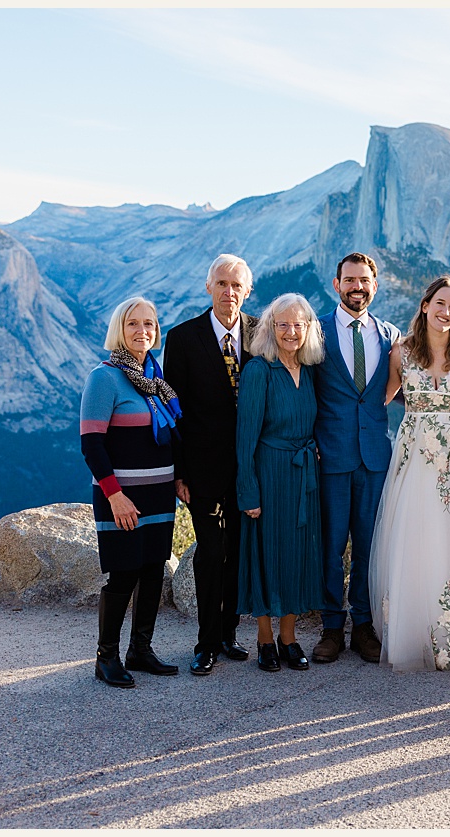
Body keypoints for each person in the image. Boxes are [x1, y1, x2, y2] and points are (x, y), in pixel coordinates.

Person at [369, 277, 450, 672]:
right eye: (440, 303)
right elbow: (378, 400)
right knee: (414, 535)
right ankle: (411, 633)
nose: (446, 312)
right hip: (414, 454)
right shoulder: (400, 352)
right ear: (425, 305)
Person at [161, 254, 258, 674]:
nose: (228, 293)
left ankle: (229, 632)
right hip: (201, 468)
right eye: (221, 284)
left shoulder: (261, 333)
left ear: (247, 292)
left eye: (236, 286)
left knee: (237, 552)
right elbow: (173, 411)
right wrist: (178, 471)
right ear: (208, 288)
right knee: (210, 551)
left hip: (250, 466)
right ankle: (205, 642)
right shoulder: (183, 339)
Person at [81, 296, 184, 688]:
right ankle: (105, 657)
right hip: (122, 497)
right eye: (133, 324)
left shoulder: (156, 381)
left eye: (149, 324)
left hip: (159, 495)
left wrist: (179, 480)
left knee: (153, 571)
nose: (142, 331)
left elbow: (170, 439)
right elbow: (91, 445)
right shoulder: (104, 378)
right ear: (118, 331)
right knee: (123, 575)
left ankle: (140, 650)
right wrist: (114, 495)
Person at [310, 252, 400, 664]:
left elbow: (387, 390)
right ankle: (332, 627)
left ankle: (363, 625)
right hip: (331, 455)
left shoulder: (390, 335)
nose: (357, 287)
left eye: (364, 280)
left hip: (375, 458)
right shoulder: (317, 332)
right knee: (331, 546)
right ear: (336, 284)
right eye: (349, 280)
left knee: (368, 546)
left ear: (374, 286)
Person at [235, 293, 326, 673]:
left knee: (297, 556)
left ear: (308, 330)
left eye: (298, 325)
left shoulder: (310, 370)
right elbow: (245, 438)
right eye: (283, 324)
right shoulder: (259, 370)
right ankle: (265, 639)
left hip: (304, 476)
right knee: (267, 553)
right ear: (271, 328)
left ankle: (290, 638)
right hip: (269, 474)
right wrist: (248, 489)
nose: (291, 332)